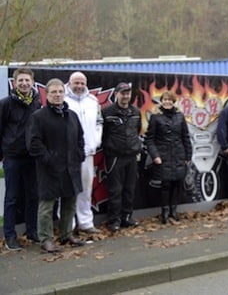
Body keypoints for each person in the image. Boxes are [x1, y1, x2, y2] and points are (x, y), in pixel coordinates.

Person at [26, 78, 85, 253]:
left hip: (71, 167)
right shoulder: (38, 117)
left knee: (70, 202)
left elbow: (80, 138)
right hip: (49, 169)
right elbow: (34, 144)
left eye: (60, 92)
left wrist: (79, 155)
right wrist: (49, 159)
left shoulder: (71, 115)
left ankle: (66, 234)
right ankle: (46, 239)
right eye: (54, 92)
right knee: (46, 206)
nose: (58, 95)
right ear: (47, 95)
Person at [0, 68, 41, 251]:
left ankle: (32, 231)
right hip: (13, 157)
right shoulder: (6, 104)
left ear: (33, 82)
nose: (24, 83)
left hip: (31, 157)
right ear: (14, 83)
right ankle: (10, 235)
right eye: (21, 80)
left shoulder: (37, 103)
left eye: (27, 80)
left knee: (33, 196)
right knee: (12, 197)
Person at [144, 91, 192, 224]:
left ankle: (173, 211)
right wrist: (155, 156)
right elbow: (150, 139)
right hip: (163, 156)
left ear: (173, 101)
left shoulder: (180, 116)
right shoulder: (155, 117)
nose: (167, 102)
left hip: (178, 155)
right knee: (165, 185)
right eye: (164, 99)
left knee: (177, 184)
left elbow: (185, 137)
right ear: (161, 101)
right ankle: (164, 211)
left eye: (169, 100)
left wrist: (188, 155)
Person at [65, 72, 103, 234]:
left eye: (82, 83)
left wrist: (95, 142)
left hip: (87, 152)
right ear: (70, 83)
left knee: (86, 189)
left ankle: (86, 222)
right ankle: (68, 224)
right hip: (67, 154)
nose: (79, 86)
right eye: (76, 83)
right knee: (67, 189)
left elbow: (99, 123)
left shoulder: (93, 101)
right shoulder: (62, 99)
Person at [102, 82, 142, 232]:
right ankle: (114, 220)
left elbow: (137, 131)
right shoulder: (107, 112)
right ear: (116, 94)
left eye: (128, 93)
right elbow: (103, 133)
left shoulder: (136, 112)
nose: (125, 96)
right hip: (114, 157)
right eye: (123, 93)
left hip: (131, 156)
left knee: (130, 189)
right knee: (115, 190)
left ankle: (127, 217)